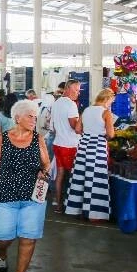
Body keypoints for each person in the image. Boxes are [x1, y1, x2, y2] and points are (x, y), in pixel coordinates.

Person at [0, 99, 51, 272]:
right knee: (3, 237)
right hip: (4, 194)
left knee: (28, 237)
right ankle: (1, 254)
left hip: (32, 197)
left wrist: (44, 173)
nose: (34, 120)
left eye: (35, 116)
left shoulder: (38, 139)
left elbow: (46, 164)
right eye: (30, 116)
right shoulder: (4, 138)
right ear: (17, 118)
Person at [64, 88, 115, 221]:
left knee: (80, 177)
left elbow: (77, 129)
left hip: (83, 146)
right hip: (97, 147)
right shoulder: (106, 113)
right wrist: (99, 134)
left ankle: (78, 209)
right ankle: (94, 215)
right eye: (111, 101)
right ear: (107, 99)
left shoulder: (86, 110)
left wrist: (88, 133)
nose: (111, 104)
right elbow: (111, 134)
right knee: (96, 178)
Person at [50, 79, 82, 212]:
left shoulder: (56, 103)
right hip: (70, 145)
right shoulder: (71, 105)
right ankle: (72, 206)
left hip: (58, 143)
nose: (78, 93)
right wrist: (83, 120)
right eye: (76, 90)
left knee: (60, 174)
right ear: (68, 89)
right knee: (73, 176)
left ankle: (58, 204)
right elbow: (75, 127)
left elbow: (53, 127)